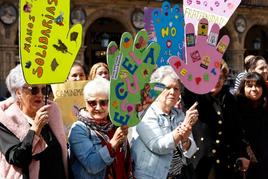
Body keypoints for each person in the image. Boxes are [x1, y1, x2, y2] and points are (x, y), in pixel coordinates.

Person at [0, 65, 68, 179]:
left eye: (44, 89)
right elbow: (17, 158)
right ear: (18, 92)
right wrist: (35, 129)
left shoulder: (51, 113)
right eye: (34, 89)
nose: (40, 95)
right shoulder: (6, 119)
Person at [131, 66, 198, 179]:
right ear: (156, 90)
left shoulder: (179, 115)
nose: (172, 92)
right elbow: (159, 146)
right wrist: (183, 128)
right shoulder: (145, 114)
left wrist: (186, 140)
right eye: (167, 88)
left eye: (176, 89)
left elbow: (191, 151)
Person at [181, 61, 241, 179]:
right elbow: (186, 90)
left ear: (224, 79)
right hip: (200, 161)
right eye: (211, 76)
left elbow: (237, 130)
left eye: (219, 77)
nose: (215, 81)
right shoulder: (196, 96)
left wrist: (241, 155)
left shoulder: (230, 99)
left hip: (225, 162)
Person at [68, 77, 132, 179]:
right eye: (92, 103)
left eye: (103, 103)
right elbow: (92, 165)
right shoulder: (78, 129)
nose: (98, 108)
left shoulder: (115, 125)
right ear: (85, 102)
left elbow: (125, 161)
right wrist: (113, 143)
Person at [235, 72, 268, 179]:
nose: (254, 89)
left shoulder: (265, 107)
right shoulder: (235, 108)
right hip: (244, 162)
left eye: (258, 85)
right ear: (243, 88)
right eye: (249, 86)